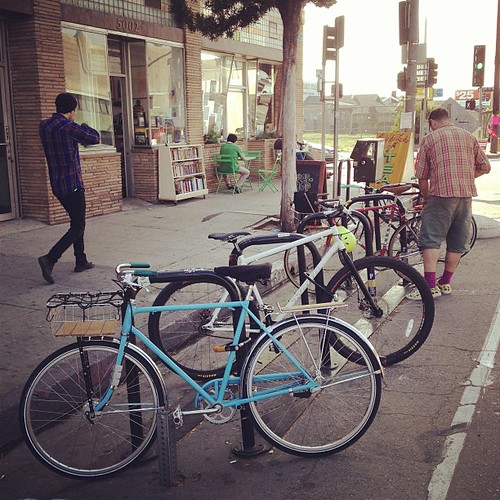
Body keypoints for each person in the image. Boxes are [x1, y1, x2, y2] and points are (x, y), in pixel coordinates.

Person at [407, 107, 491, 300]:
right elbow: (485, 166)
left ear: (432, 122)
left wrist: (427, 197)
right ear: (449, 119)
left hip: (441, 196)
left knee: (431, 239)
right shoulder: (468, 137)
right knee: (457, 241)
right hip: (465, 196)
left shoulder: (430, 139)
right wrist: (467, 177)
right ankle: (445, 283)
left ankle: (429, 287)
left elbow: (421, 177)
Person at [38, 92, 100, 284]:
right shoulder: (69, 127)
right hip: (72, 183)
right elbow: (95, 138)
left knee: (76, 221)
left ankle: (80, 260)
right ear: (72, 111)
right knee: (78, 225)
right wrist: (85, 126)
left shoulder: (44, 126)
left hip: (57, 184)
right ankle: (50, 258)